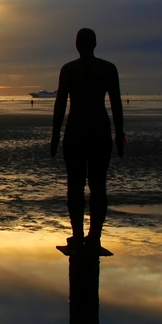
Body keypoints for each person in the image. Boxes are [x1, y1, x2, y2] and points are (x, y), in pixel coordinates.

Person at [50, 28, 124, 254]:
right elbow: (117, 104)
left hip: (76, 132)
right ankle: (92, 237)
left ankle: (82, 235)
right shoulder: (108, 69)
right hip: (100, 131)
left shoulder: (69, 70)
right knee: (98, 186)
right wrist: (119, 133)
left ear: (77, 45)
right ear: (95, 44)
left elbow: (60, 104)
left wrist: (55, 135)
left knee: (76, 187)